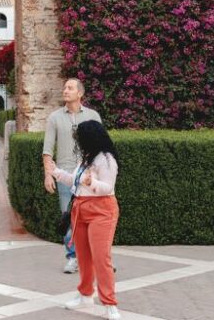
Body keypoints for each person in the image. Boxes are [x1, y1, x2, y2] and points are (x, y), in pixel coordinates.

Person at [46, 120, 122, 320]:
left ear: (90, 137)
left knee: (101, 257)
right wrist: (56, 172)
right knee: (83, 256)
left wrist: (93, 182)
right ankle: (86, 294)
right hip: (80, 209)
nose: (77, 141)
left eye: (80, 137)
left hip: (101, 210)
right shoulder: (86, 158)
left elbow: (107, 187)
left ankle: (110, 303)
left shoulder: (106, 159)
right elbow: (75, 180)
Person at [43, 78, 102, 274]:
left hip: (89, 176)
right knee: (69, 218)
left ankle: (98, 257)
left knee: (94, 218)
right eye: (65, 87)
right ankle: (72, 258)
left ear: (80, 93)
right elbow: (47, 149)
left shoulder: (93, 115)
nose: (65, 90)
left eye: (70, 88)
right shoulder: (55, 117)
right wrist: (48, 175)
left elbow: (101, 146)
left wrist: (99, 175)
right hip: (65, 175)